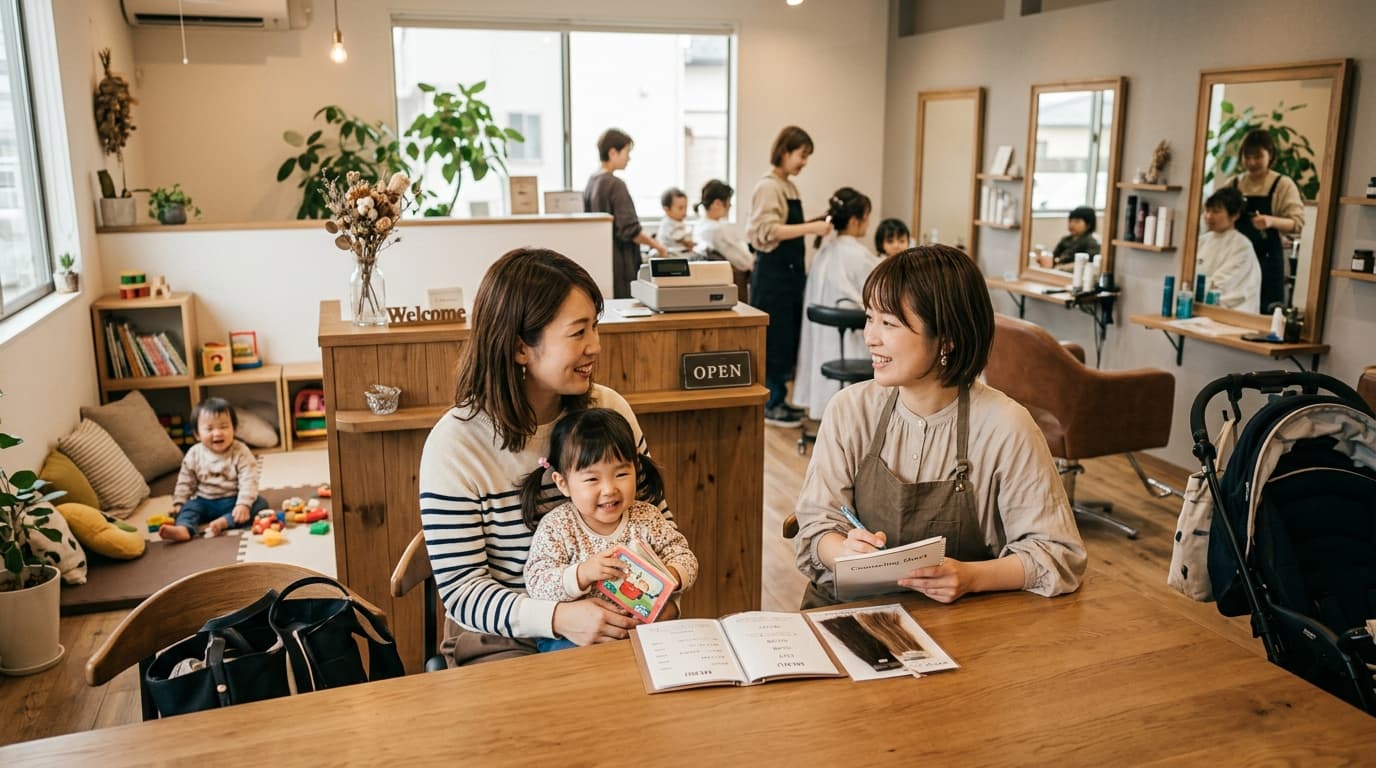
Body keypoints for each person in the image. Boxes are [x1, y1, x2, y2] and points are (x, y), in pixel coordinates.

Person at [792, 245, 1086, 609]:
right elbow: (818, 525)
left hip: (956, 620)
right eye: (870, 318)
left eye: (889, 324)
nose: (870, 337)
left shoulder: (1005, 426)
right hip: (848, 609)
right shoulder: (850, 410)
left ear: (947, 339)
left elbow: (1057, 554)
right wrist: (843, 552)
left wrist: (972, 577)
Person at [419, 247, 672, 665]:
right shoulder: (455, 444)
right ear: (521, 347)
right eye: (578, 332)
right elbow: (463, 592)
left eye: (595, 327)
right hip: (503, 636)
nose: (595, 346)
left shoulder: (608, 411)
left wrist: (665, 596)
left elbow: (655, 522)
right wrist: (558, 618)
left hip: (622, 615)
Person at [521, 408, 698, 652]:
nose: (609, 489)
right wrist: (582, 573)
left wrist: (670, 576)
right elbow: (537, 583)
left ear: (636, 469)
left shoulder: (647, 518)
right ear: (563, 483)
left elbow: (685, 556)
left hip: (643, 629)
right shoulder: (558, 527)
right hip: (573, 639)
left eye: (621, 474)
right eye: (592, 479)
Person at [747, 126, 833, 427]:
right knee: (775, 339)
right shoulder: (769, 187)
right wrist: (811, 228)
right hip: (773, 277)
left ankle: (780, 398)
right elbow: (765, 231)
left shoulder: (788, 187)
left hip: (790, 275)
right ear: (785, 152)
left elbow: (784, 226)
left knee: (786, 338)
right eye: (802, 155)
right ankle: (771, 404)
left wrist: (814, 223)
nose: (804, 162)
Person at [793, 187, 879, 421]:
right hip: (849, 338)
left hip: (825, 338)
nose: (868, 223)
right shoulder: (858, 255)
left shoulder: (824, 251)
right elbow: (878, 292)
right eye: (866, 217)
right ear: (854, 221)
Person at [159, 397, 268, 542]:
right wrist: (179, 502)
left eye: (223, 427)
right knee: (188, 509)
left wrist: (243, 504)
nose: (217, 433)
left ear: (234, 429)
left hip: (233, 500)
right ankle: (184, 529)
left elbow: (249, 479)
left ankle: (224, 522)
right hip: (204, 501)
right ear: (197, 434)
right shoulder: (194, 454)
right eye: (209, 429)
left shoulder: (241, 451)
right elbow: (185, 480)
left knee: (259, 505)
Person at [1223, 129, 1305, 311]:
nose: (1252, 162)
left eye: (1258, 156)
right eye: (1247, 156)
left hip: (1268, 263)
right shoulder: (1233, 184)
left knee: (1265, 312)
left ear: (1270, 155)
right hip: (1235, 260)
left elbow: (1297, 224)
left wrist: (1270, 221)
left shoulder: (1283, 184)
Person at [583, 128, 667, 298]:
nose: (629, 158)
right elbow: (630, 230)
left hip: (603, 261)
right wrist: (658, 246)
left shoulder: (592, 182)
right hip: (621, 263)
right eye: (627, 152)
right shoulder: (615, 185)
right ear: (613, 152)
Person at [1196, 187, 1262, 313]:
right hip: (1202, 310)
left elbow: (1222, 285)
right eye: (1207, 210)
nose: (1209, 216)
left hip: (1234, 315)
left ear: (1235, 215)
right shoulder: (1202, 241)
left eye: (1216, 212)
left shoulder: (1242, 246)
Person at [692, 179, 754, 303]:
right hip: (731, 283)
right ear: (717, 203)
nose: (730, 206)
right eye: (729, 202)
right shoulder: (718, 229)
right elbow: (744, 262)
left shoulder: (699, 225)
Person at [655, 187, 695, 255]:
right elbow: (681, 238)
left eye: (685, 207)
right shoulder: (667, 224)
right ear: (667, 210)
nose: (684, 211)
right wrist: (688, 242)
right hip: (670, 255)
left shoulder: (678, 221)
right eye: (680, 208)